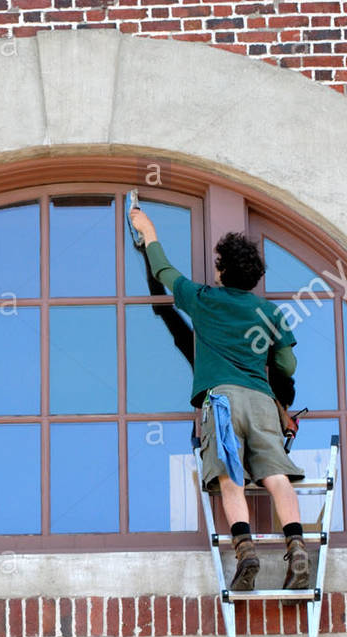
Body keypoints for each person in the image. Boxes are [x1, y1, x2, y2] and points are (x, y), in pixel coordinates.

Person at [128, 207, 309, 592]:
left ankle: (246, 552)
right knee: (277, 477)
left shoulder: (203, 299)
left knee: (230, 479)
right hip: (261, 402)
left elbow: (164, 272)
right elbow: (288, 364)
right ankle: (297, 548)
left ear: (223, 270)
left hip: (222, 402)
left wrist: (149, 231)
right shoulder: (270, 312)